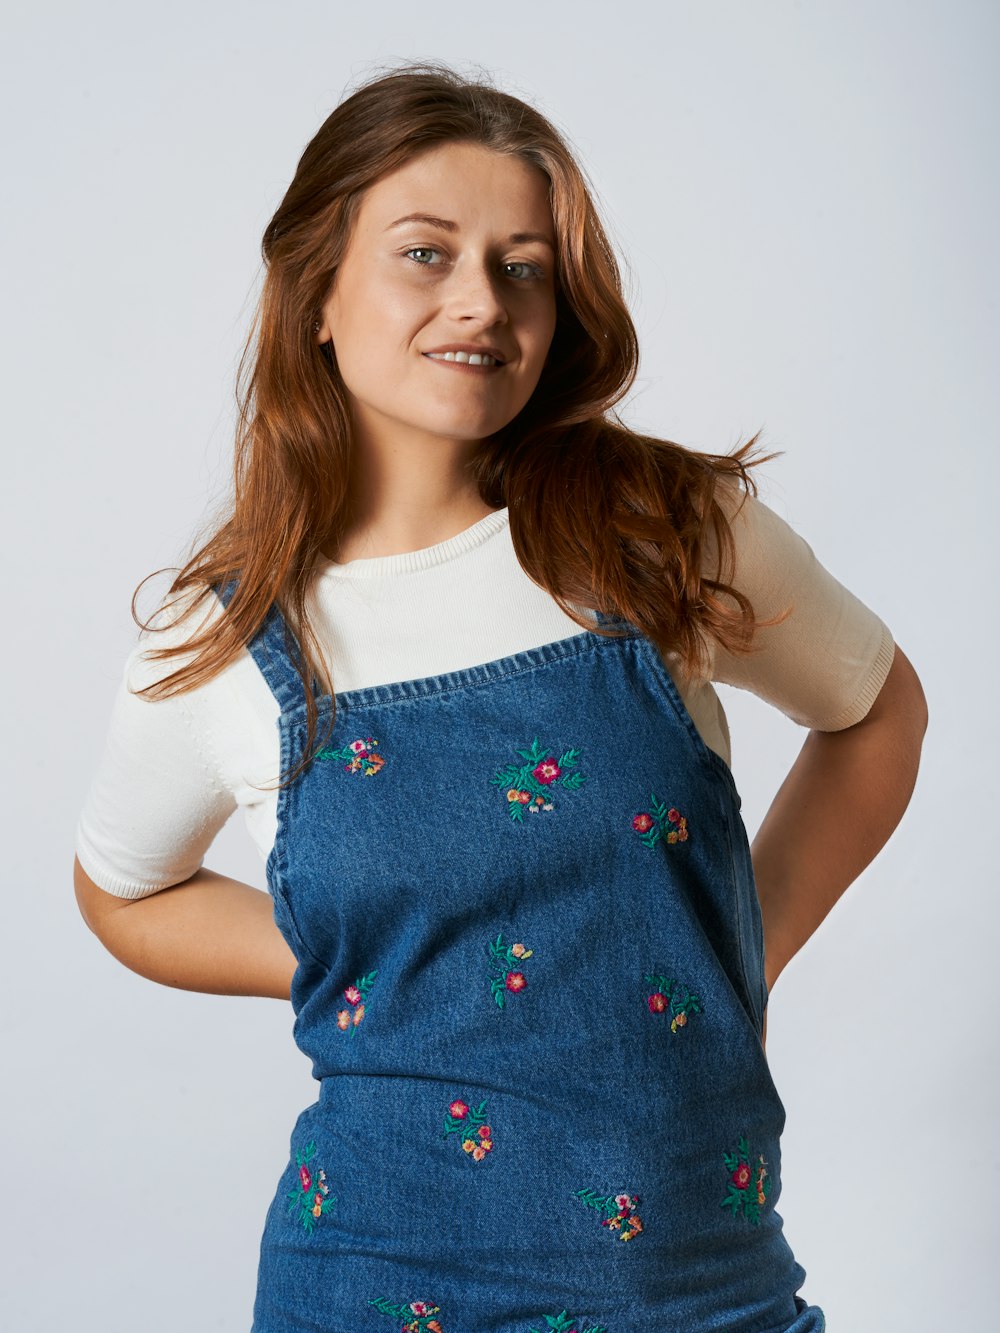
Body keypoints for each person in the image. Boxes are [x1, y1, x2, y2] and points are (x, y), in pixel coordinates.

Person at [73, 62, 927, 1333]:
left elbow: (874, 712)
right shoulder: (229, 636)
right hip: (367, 1280)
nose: (479, 300)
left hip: (702, 1293)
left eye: (521, 265)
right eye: (425, 253)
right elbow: (119, 888)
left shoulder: (659, 534)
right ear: (317, 290)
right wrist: (354, 957)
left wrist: (742, 948)